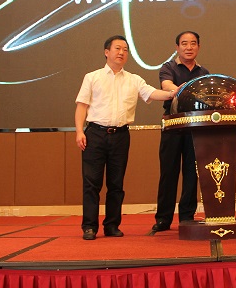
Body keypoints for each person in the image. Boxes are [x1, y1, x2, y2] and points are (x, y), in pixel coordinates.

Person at [75, 35, 177, 240]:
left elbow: (152, 93)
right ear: (106, 52)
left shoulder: (134, 79)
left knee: (116, 184)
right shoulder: (92, 77)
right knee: (92, 183)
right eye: (117, 48)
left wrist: (173, 92)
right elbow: (82, 106)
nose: (122, 52)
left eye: (125, 49)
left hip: (120, 135)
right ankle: (89, 227)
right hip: (94, 134)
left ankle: (112, 225)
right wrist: (79, 131)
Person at [152, 31, 210, 232]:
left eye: (193, 43)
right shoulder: (168, 67)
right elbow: (166, 85)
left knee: (191, 173)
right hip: (173, 125)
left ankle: (187, 216)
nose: (189, 47)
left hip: (194, 127)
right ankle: (163, 218)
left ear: (198, 47)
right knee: (168, 171)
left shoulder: (204, 72)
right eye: (184, 44)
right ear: (177, 47)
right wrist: (178, 89)